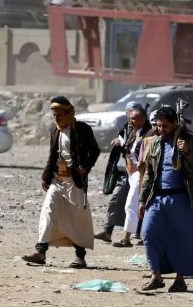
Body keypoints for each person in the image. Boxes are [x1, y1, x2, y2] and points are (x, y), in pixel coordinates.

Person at [23, 96, 101, 269]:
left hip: (75, 181)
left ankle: (80, 257)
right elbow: (52, 154)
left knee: (77, 219)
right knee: (48, 211)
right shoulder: (55, 129)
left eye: (59, 114)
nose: (56, 118)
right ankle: (40, 252)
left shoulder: (82, 129)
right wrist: (45, 176)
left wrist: (85, 167)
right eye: (54, 115)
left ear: (68, 112)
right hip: (57, 179)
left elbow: (95, 151)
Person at [138, 106, 193, 292]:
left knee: (183, 239)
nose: (161, 130)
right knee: (148, 233)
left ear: (174, 124)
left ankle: (180, 279)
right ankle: (156, 276)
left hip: (182, 198)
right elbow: (149, 174)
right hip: (157, 197)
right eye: (158, 126)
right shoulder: (155, 143)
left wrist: (187, 152)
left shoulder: (192, 141)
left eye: (165, 126)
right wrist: (142, 200)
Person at [95, 101, 144, 242]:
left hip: (139, 173)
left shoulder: (146, 131)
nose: (131, 117)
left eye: (134, 114)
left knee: (137, 204)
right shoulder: (125, 129)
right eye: (129, 113)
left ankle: (136, 234)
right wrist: (118, 141)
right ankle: (107, 231)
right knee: (116, 200)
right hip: (125, 171)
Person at [113, 106, 153, 247]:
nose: (132, 120)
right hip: (132, 173)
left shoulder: (150, 133)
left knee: (131, 204)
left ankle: (126, 238)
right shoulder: (132, 132)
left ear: (143, 118)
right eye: (131, 118)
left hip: (142, 174)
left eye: (135, 118)